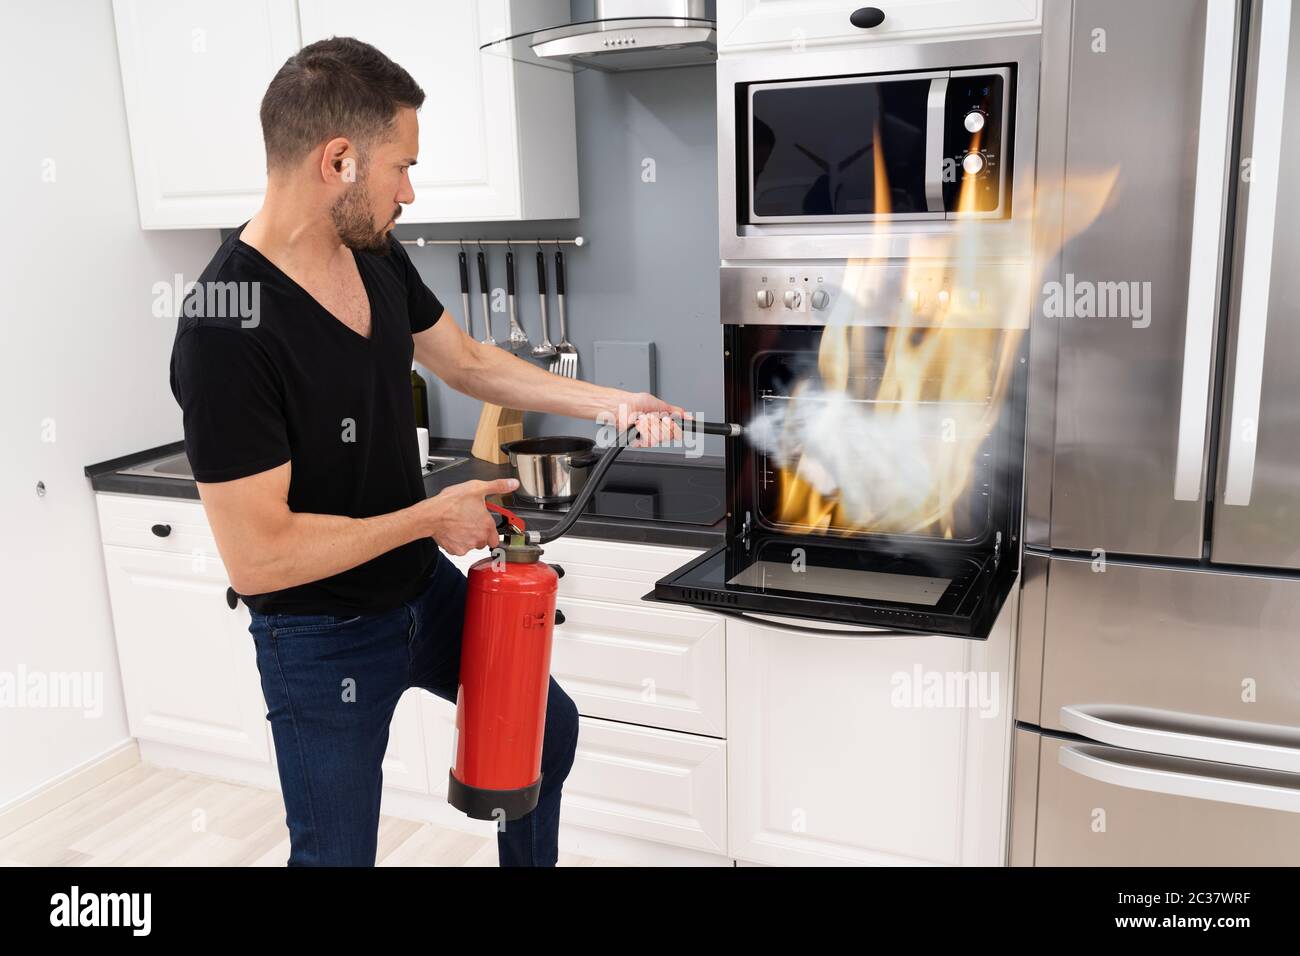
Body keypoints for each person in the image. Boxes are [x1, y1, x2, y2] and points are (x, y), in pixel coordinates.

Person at [168, 36, 685, 866]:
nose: (410, 191)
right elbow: (259, 559)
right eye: (399, 166)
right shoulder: (226, 328)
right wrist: (426, 517)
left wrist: (612, 402)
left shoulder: (373, 255)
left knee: (548, 733)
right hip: (319, 636)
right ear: (338, 161)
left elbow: (470, 363)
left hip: (419, 595)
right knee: (334, 853)